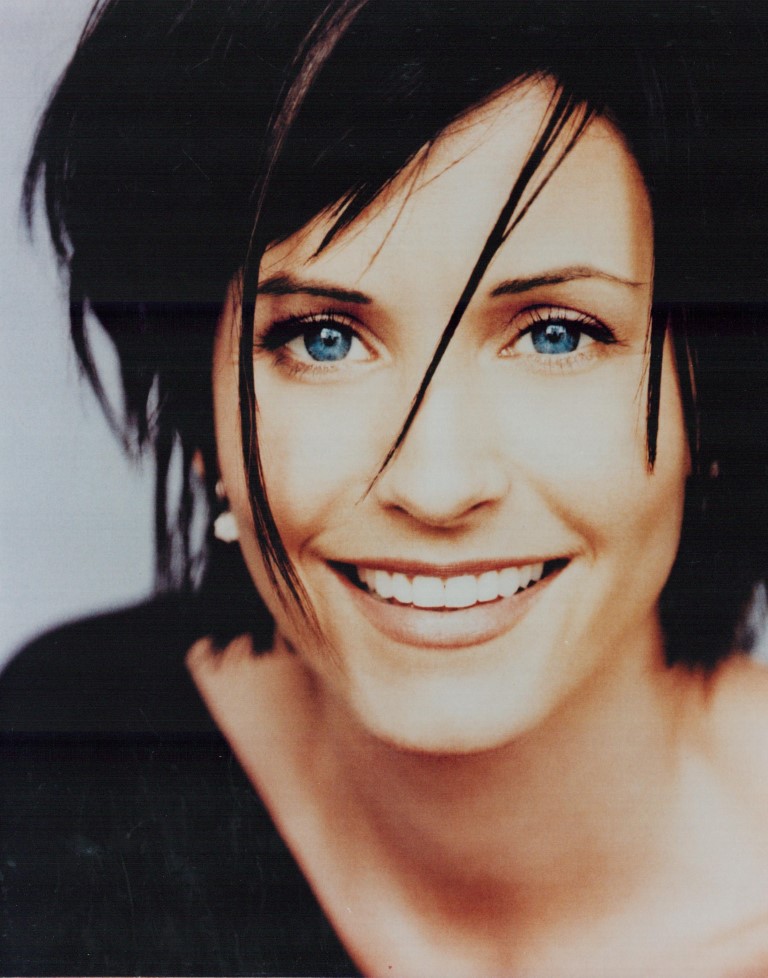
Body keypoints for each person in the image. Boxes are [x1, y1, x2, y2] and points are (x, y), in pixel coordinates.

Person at [3, 1, 768, 974]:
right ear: (202, 417)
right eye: (324, 339)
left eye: (556, 333)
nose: (436, 485)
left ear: (718, 395)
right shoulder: (68, 765)